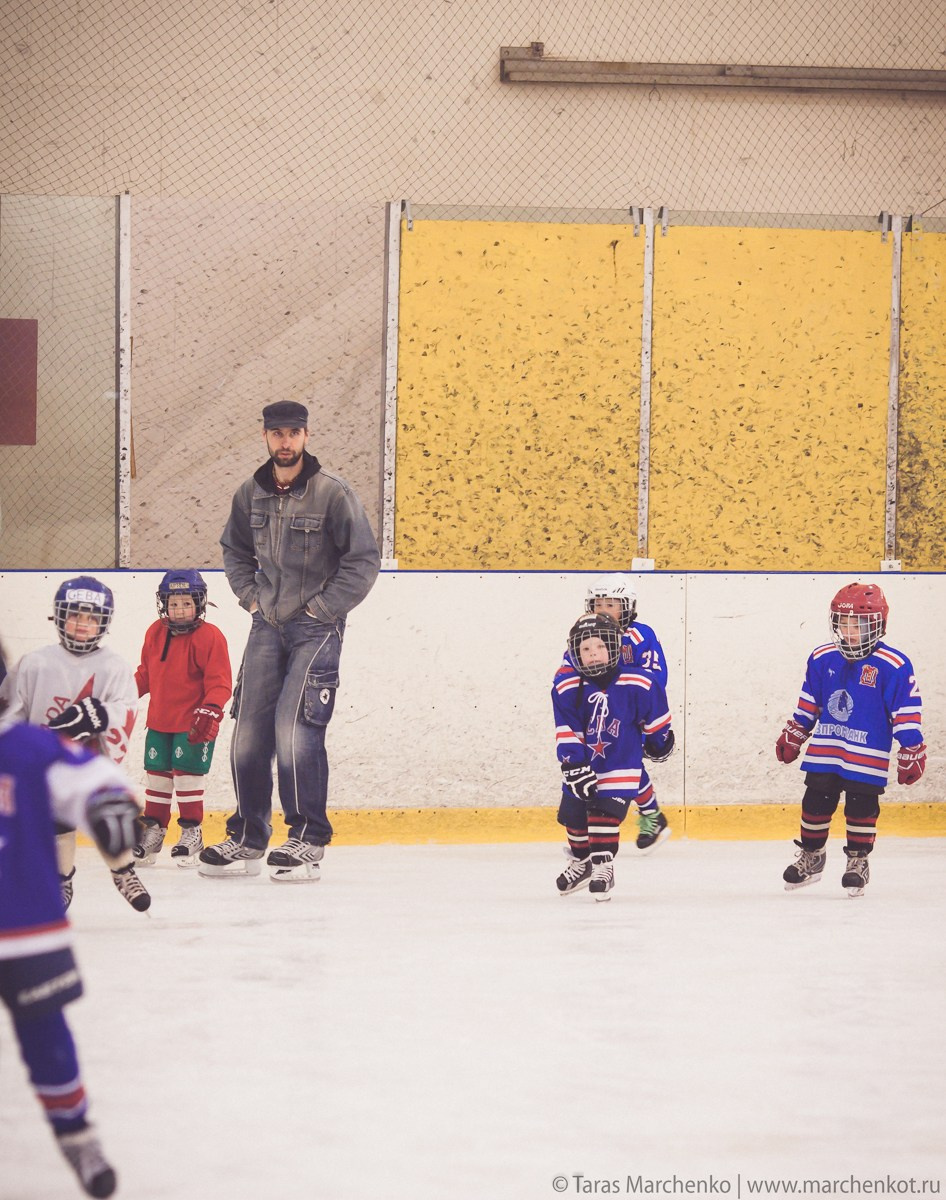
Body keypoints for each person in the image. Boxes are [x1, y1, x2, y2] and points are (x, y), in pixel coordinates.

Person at [201, 400, 381, 881]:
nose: (285, 442)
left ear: (306, 436)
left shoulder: (332, 493)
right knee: (247, 732)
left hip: (317, 629)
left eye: (293, 433)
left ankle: (307, 838)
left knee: (294, 730)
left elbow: (362, 560)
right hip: (267, 625)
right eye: (277, 433)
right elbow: (233, 550)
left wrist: (323, 609)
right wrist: (251, 600)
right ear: (265, 436)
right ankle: (247, 838)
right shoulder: (250, 493)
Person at [0, 637, 141, 1198]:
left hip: (25, 922)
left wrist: (107, 805)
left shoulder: (22, 747)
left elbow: (89, 776)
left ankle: (76, 1131)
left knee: (46, 1034)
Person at [4, 577, 149, 913]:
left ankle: (123, 871)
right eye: (75, 615)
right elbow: (11, 712)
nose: (83, 624)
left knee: (109, 815)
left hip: (91, 761)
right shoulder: (34, 663)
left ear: (104, 622)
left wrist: (98, 714)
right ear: (59, 616)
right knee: (57, 823)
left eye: (91, 618)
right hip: (46, 764)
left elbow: (126, 709)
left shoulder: (114, 667)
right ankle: (62, 878)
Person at [775, 582, 925, 897]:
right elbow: (810, 701)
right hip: (827, 748)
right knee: (814, 803)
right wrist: (796, 731)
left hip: (867, 753)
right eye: (842, 623)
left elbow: (906, 710)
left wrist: (911, 748)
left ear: (878, 624)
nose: (848, 630)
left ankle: (858, 861)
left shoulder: (894, 665)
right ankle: (812, 857)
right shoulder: (822, 657)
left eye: (857, 623)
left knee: (861, 808)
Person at [552, 612, 675, 901]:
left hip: (622, 761)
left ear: (613, 647)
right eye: (584, 649)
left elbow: (656, 717)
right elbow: (566, 728)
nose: (592, 654)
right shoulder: (566, 686)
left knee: (603, 814)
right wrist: (573, 764)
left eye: (598, 647)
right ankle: (581, 862)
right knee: (573, 818)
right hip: (585, 761)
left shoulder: (639, 682)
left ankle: (603, 866)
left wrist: (659, 741)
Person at [133, 570, 232, 866]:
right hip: (159, 721)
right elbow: (145, 674)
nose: (179, 610)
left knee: (187, 777)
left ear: (199, 604)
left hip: (193, 723)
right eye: (173, 604)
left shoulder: (210, 636)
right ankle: (154, 831)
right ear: (164, 604)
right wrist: (121, 695)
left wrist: (211, 707)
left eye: (186, 604)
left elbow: (220, 681)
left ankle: (192, 832)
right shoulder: (154, 632)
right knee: (157, 778)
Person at [571, 574, 672, 853]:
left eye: (611, 604)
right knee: (609, 761)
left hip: (631, 710)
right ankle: (651, 816)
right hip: (598, 708)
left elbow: (655, 677)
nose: (604, 610)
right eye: (598, 604)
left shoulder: (641, 635)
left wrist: (644, 709)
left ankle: (651, 816)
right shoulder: (585, 634)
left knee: (627, 761)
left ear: (627, 606)